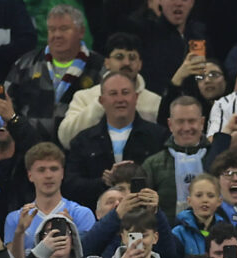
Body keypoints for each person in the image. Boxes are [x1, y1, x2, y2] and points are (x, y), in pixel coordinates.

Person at [63, 71, 168, 210]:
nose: (120, 99)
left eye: (125, 92)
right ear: (101, 101)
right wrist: (103, 182)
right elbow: (70, 185)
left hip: (142, 223)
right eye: (113, 93)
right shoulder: (83, 141)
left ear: (136, 97)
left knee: (133, 234)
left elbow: (166, 183)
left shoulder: (159, 136)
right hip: (98, 224)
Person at [5, 4, 104, 142]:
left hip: (82, 150)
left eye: (64, 29)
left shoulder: (99, 67)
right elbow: (7, 104)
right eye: (52, 29)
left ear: (81, 32)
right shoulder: (26, 64)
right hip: (29, 150)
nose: (57, 35)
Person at [141, 96, 231, 217]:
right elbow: (139, 214)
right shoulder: (153, 164)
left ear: (202, 123)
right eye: (180, 122)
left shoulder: (219, 159)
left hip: (214, 233)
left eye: (192, 121)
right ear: (170, 124)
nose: (187, 128)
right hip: (167, 233)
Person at [3, 143, 97, 254]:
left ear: (62, 173)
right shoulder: (15, 218)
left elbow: (87, 257)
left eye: (54, 169)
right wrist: (19, 232)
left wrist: (72, 231)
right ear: (30, 175)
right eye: (41, 170)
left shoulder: (82, 214)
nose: (48, 175)